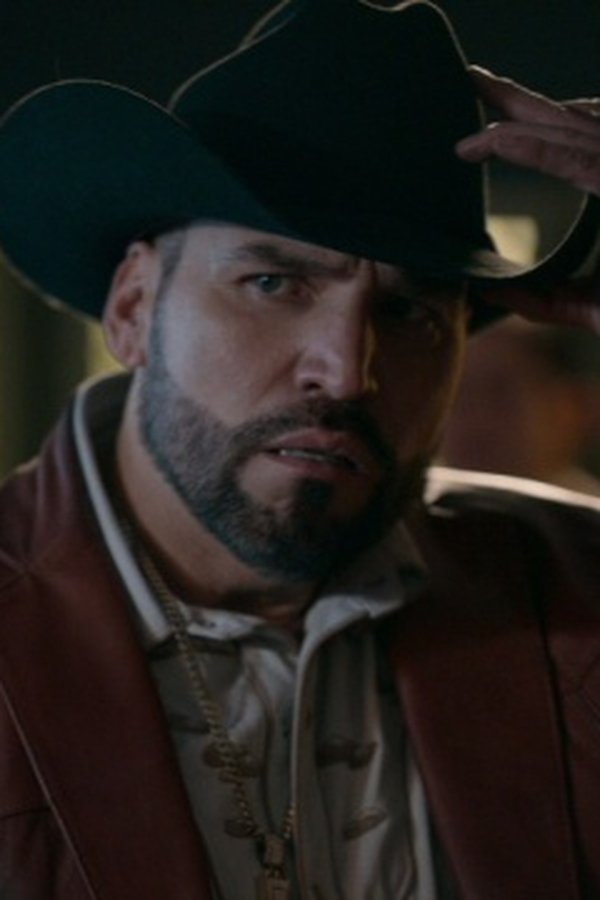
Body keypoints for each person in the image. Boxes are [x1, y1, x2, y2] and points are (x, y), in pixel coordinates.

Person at [0, 1, 599, 898]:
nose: (347, 372)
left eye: (408, 310)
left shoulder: (575, 585)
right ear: (132, 307)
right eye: (274, 282)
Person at [441, 318, 600, 494]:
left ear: (573, 406)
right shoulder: (423, 505)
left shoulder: (588, 509)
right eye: (460, 394)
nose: (477, 418)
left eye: (500, 394)